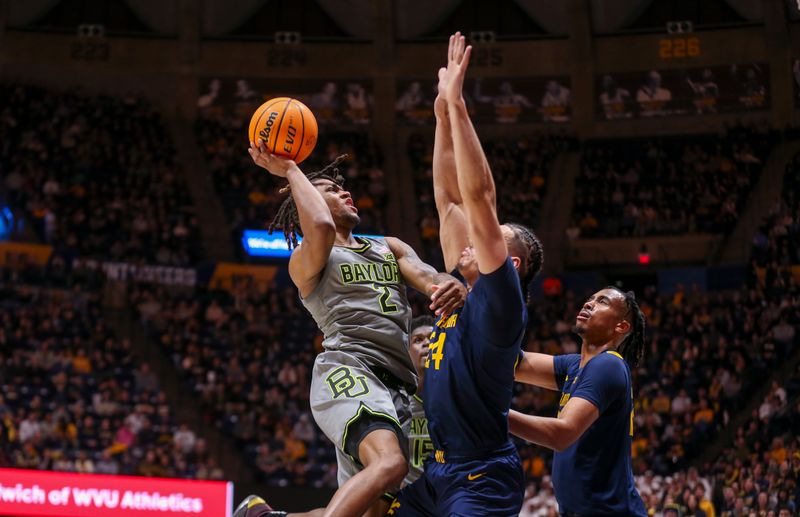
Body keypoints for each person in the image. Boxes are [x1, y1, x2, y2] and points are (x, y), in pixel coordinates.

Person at [235, 148, 466, 517]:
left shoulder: (388, 246)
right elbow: (322, 227)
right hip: (350, 368)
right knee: (391, 465)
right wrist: (292, 171)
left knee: (375, 510)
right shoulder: (308, 259)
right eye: (329, 190)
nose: (344, 192)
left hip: (399, 387)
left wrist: (450, 285)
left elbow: (428, 276)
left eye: (342, 189)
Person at [389, 31, 543, 516]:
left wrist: (458, 107)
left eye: (493, 237)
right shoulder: (463, 280)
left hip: (481, 476)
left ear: (509, 263)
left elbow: (479, 199)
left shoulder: (500, 302)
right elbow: (450, 200)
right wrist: (438, 117)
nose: (475, 238)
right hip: (440, 469)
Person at [510, 286, 648, 516]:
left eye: (602, 301)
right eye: (590, 298)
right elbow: (517, 364)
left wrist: (493, 414)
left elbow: (561, 434)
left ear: (621, 326)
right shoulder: (576, 366)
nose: (589, 303)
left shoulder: (608, 365)